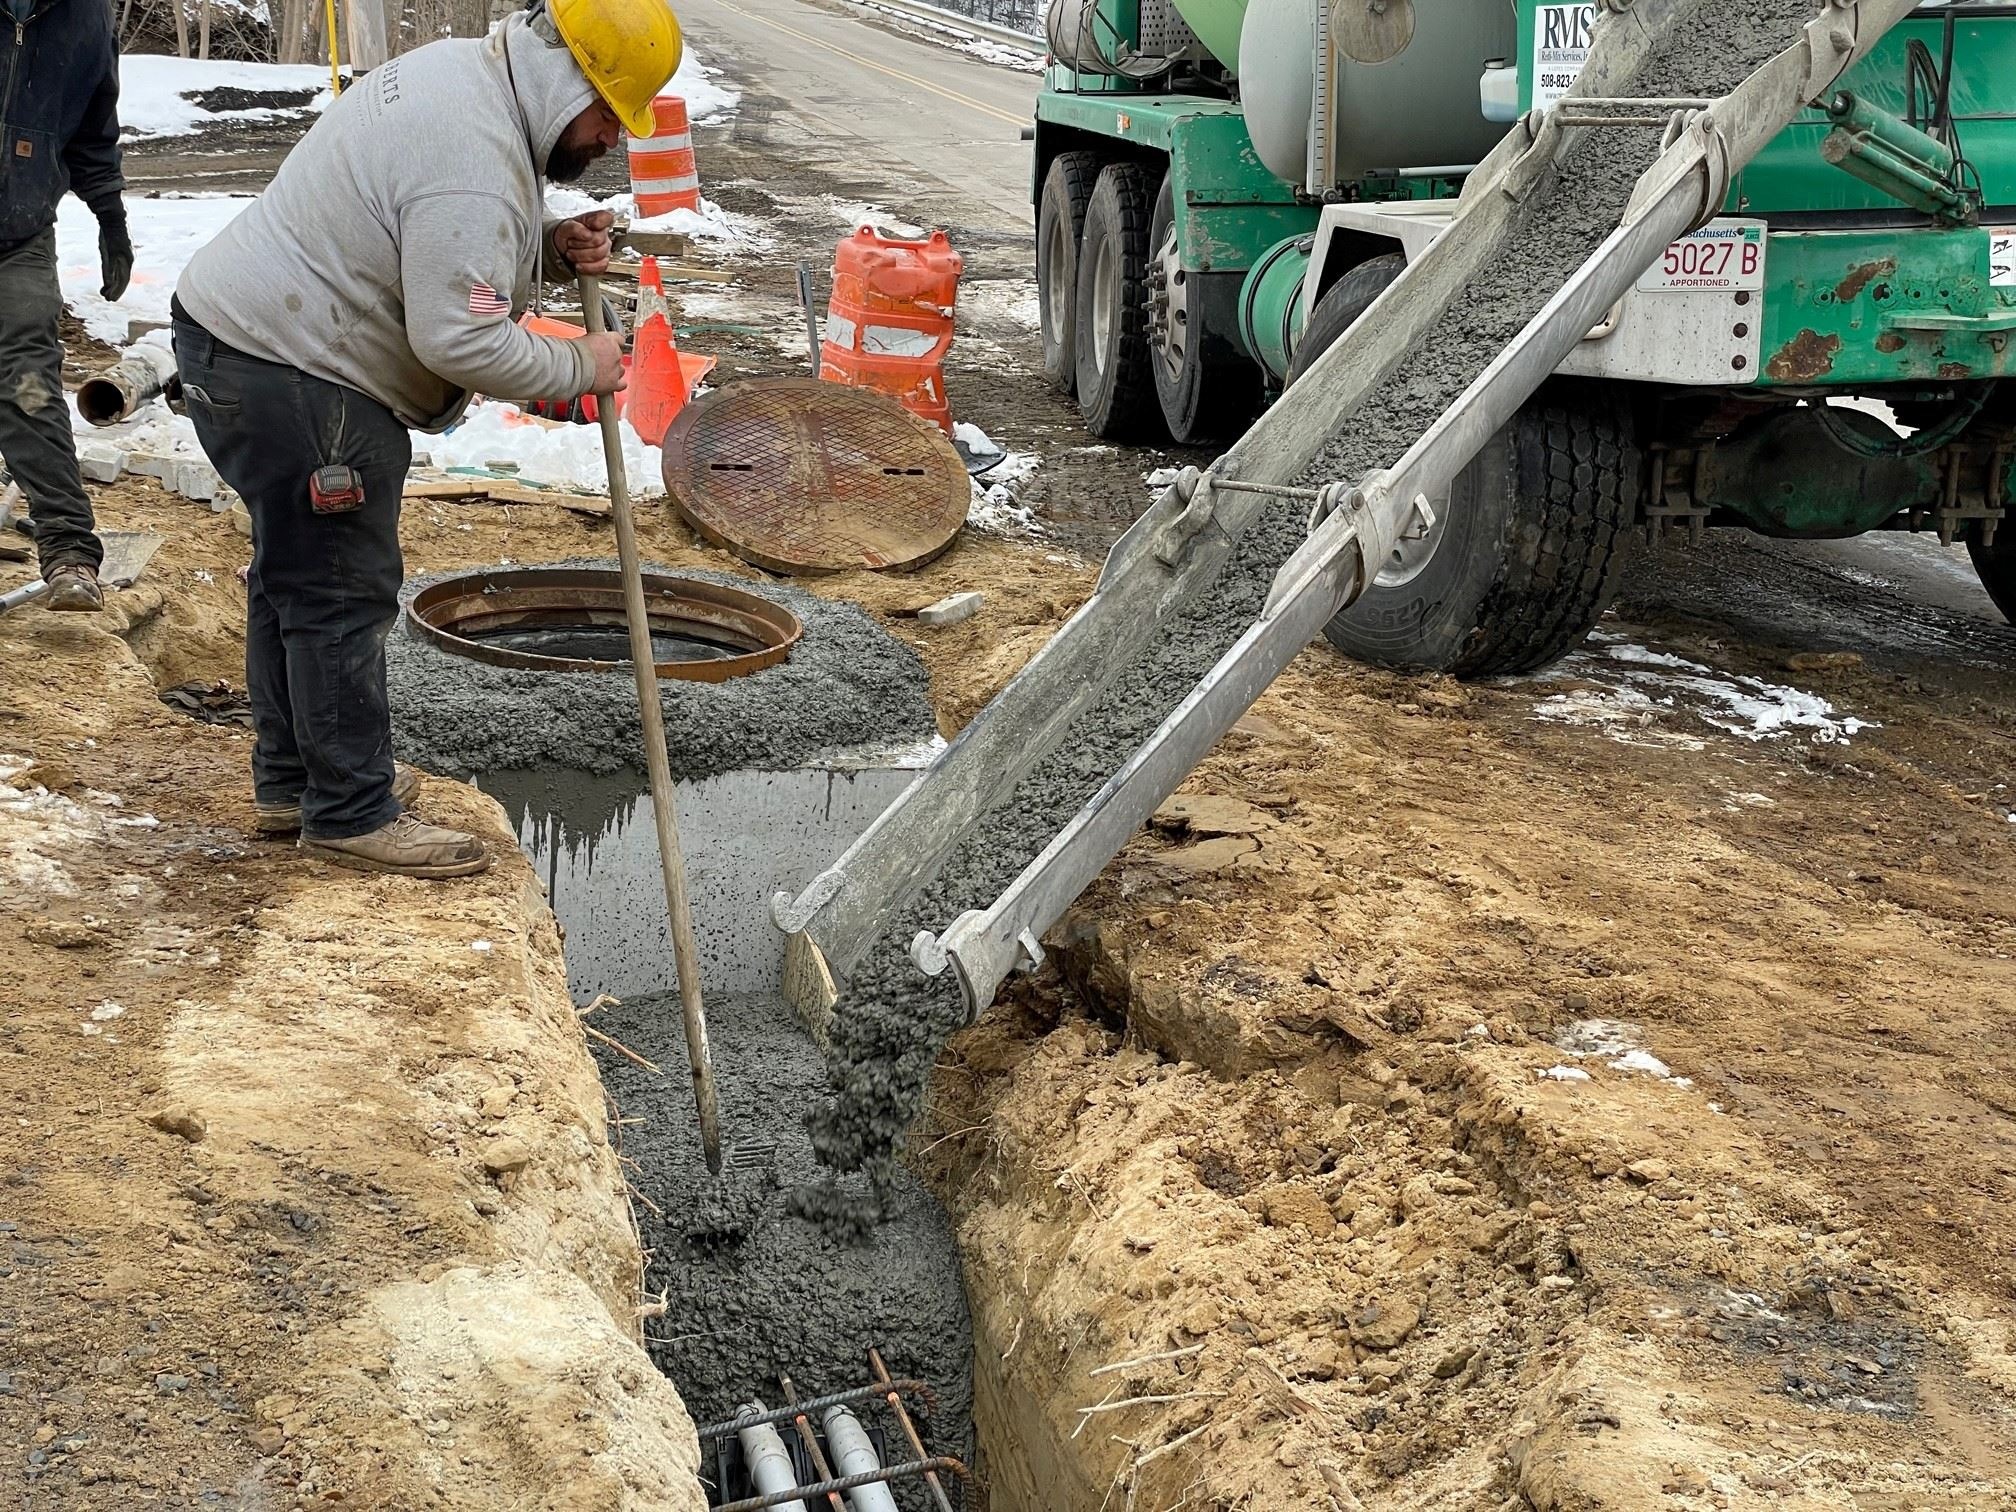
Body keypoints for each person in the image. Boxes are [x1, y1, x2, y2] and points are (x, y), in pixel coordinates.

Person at [171, 0, 680, 879]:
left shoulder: (467, 75)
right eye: (606, 116)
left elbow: (436, 236)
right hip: (300, 372)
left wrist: (548, 247)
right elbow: (458, 337)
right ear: (568, 82)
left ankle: (295, 783)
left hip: (248, 340)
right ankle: (350, 812)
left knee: (293, 578)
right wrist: (583, 369)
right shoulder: (474, 159)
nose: (607, 140)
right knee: (337, 592)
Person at [0, 0, 133, 611]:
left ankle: (69, 551)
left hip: (19, 234)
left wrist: (112, 219)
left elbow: (92, 133)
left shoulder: (86, 16)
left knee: (29, 384)